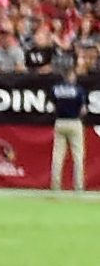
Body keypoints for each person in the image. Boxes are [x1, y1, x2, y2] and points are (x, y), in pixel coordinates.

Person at [50, 55, 88, 193]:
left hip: (60, 121)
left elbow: (53, 106)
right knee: (78, 156)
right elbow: (83, 110)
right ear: (71, 75)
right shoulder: (78, 90)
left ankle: (55, 185)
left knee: (57, 156)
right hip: (74, 122)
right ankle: (78, 186)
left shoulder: (55, 89)